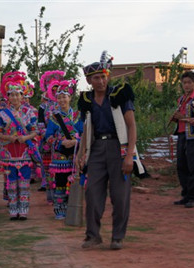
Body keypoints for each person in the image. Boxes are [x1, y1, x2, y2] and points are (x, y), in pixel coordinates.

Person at [77, 51, 137, 250]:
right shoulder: (87, 100)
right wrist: (80, 153)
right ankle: (93, 235)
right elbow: (87, 127)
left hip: (118, 147)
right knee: (93, 193)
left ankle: (117, 237)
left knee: (120, 196)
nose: (101, 81)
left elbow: (131, 126)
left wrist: (129, 155)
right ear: (89, 80)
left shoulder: (119, 93)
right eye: (96, 78)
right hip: (95, 149)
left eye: (103, 76)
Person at [0, 72, 38, 220]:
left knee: (24, 181)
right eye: (11, 95)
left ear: (22, 95)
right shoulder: (1, 113)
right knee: (12, 182)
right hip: (8, 152)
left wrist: (25, 137)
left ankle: (24, 209)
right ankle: (13, 209)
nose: (14, 97)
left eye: (17, 94)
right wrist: (9, 137)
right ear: (8, 96)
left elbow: (34, 131)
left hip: (24, 151)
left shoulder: (29, 112)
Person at [44, 79, 83, 220]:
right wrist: (60, 142)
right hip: (60, 156)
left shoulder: (78, 116)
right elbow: (47, 137)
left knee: (74, 182)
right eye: (59, 97)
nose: (62, 100)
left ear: (70, 97)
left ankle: (73, 208)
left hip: (75, 156)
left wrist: (76, 141)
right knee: (60, 182)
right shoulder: (54, 118)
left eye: (64, 96)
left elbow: (84, 134)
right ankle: (60, 210)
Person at [171, 71, 194, 208]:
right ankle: (186, 195)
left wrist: (183, 118)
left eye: (189, 83)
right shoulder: (181, 99)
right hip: (182, 135)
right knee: (182, 166)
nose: (186, 85)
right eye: (184, 83)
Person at [37, 70, 66, 193]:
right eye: (52, 89)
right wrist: (47, 137)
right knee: (47, 166)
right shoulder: (43, 107)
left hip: (62, 141)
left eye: (56, 90)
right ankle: (47, 187)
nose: (54, 92)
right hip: (47, 140)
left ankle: (61, 192)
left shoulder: (63, 104)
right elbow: (40, 123)